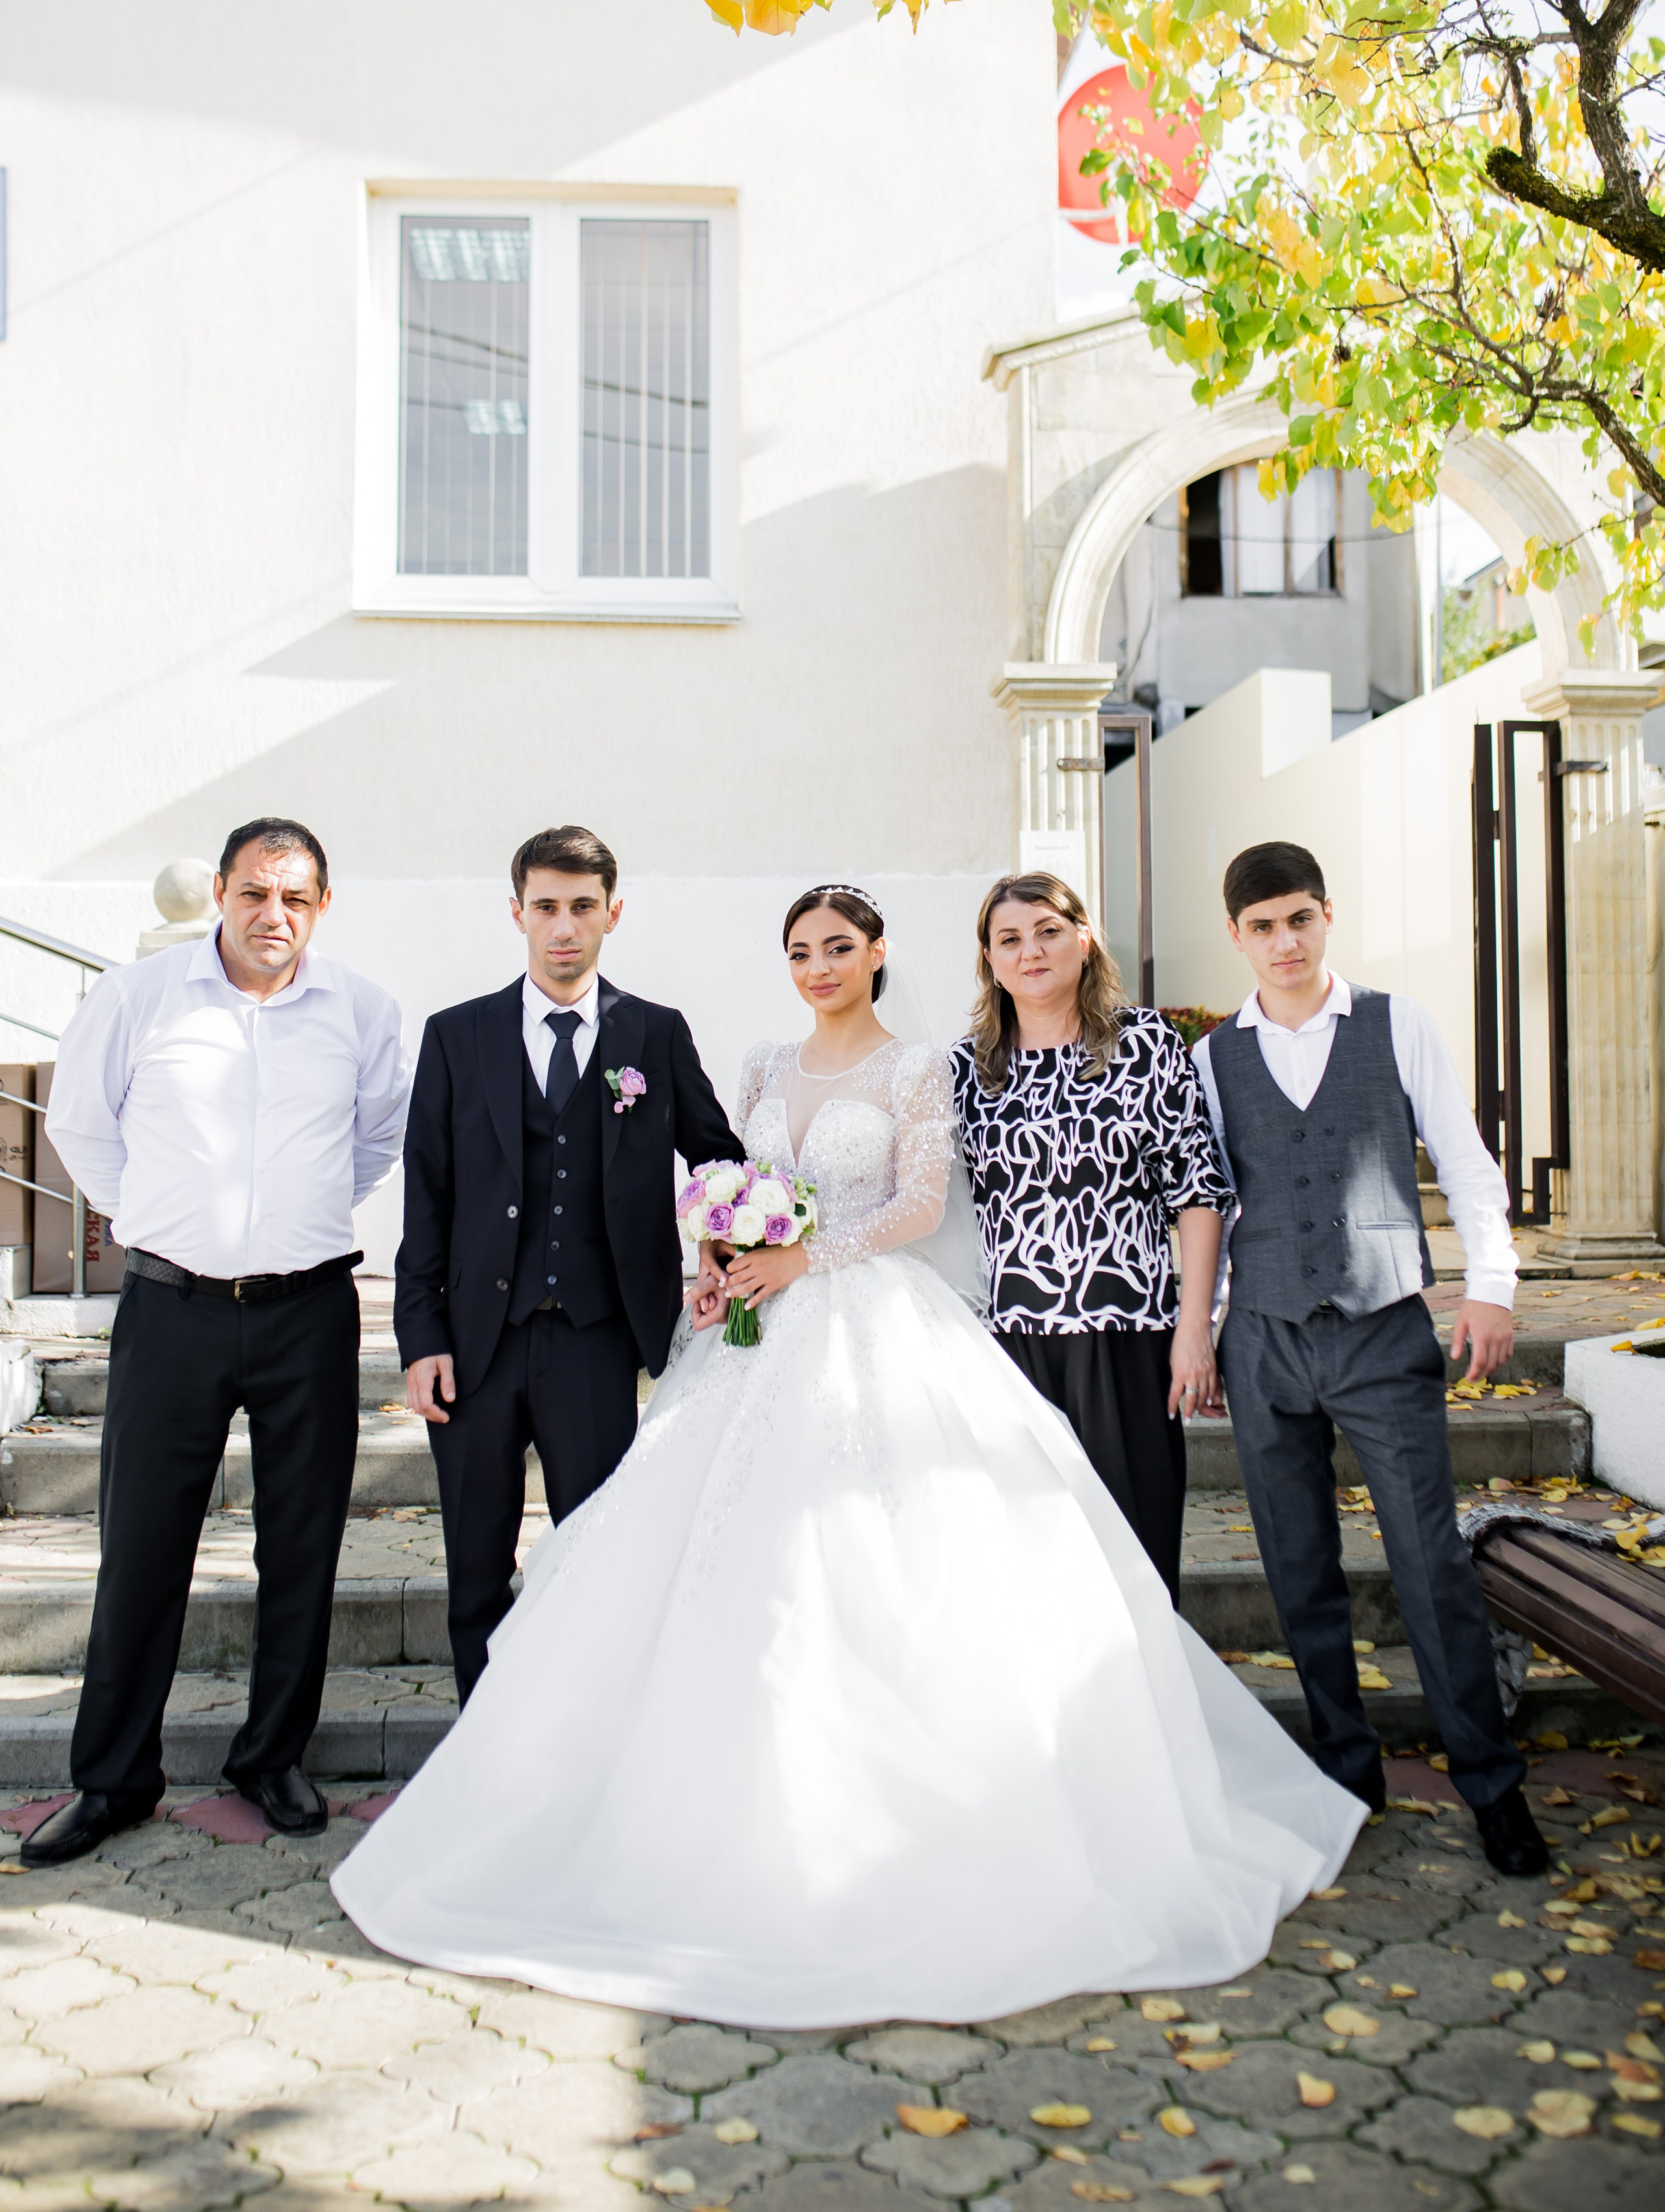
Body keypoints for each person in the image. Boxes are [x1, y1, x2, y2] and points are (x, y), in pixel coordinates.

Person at [332, 881, 1363, 2025]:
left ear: (878, 954)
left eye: (838, 947)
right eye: (800, 951)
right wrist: (722, 1261)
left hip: (875, 1322)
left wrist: (802, 1260)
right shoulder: (762, 1067)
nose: (818, 967)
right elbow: (725, 1183)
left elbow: (921, 1205)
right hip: (752, 1339)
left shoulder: (921, 1069)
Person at [23, 818, 409, 1865]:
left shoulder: (364, 1012)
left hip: (308, 1311)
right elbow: (80, 1125)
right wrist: (157, 1217)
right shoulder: (136, 998)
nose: (273, 914)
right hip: (172, 1311)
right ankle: (112, 1780)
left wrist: (288, 1225)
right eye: (254, 893)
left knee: (302, 1546)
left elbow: (374, 1140)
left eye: (295, 897)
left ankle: (270, 1758)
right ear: (221, 896)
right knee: (142, 1547)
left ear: (321, 907)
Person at [1194, 839, 1546, 1878]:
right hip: (1263, 1337)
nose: (1285, 942)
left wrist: (1492, 1283)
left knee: (1429, 1562)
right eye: (1264, 927)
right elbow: (1209, 1204)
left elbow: (1467, 1162)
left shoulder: (1398, 1023)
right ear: (1237, 936)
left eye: (1299, 919)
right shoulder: (1213, 1058)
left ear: (1326, 915)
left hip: (1384, 1330)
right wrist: (1203, 1326)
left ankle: (1492, 1784)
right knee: (1298, 1568)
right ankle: (1348, 1776)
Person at [395, 824, 745, 1704]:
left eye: (583, 907)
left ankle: (581, 1736)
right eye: (545, 906)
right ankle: (484, 1741)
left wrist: (720, 1245)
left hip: (597, 1339)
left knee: (597, 1558)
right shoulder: (456, 1035)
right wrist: (421, 1336)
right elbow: (426, 1198)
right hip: (473, 1343)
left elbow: (717, 1160)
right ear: (516, 912)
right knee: (475, 1567)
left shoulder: (654, 1033)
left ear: (612, 915)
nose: (563, 927)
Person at [950, 872, 1232, 1607]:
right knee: (1032, 1564)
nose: (1031, 951)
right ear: (990, 960)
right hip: (1008, 1346)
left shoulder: (1144, 1046)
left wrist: (1194, 1329)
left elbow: (1198, 1192)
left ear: (1084, 940)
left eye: (1048, 931)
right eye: (1010, 939)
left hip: (1127, 1334)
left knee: (1136, 1552)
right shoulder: (966, 1071)